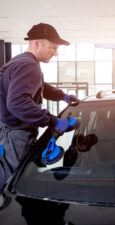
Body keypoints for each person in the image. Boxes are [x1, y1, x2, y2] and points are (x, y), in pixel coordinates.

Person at [0, 23, 80, 195]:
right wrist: (53, 121)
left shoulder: (19, 61)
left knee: (11, 177)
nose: (55, 52)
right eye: (52, 47)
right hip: (17, 135)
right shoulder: (29, 66)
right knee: (15, 184)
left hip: (9, 133)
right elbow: (17, 103)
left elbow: (38, 86)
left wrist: (62, 96)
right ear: (37, 43)